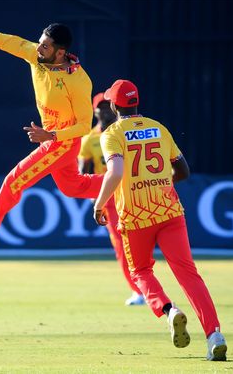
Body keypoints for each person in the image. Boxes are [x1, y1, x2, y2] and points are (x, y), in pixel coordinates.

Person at [92, 79, 227, 361]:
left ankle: (169, 310)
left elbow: (115, 172)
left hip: (136, 216)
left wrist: (100, 203)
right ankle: (214, 335)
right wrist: (161, 183)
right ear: (136, 102)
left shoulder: (112, 133)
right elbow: (183, 170)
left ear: (115, 105)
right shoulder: (159, 128)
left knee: (141, 271)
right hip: (169, 211)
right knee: (188, 274)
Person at [0, 23, 103, 249]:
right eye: (40, 43)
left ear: (60, 52)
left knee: (14, 181)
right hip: (53, 139)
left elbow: (84, 126)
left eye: (45, 46)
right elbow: (4, 40)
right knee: (73, 187)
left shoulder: (79, 81)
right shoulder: (36, 56)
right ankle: (124, 182)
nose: (39, 49)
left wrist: (51, 135)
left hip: (61, 142)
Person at [79, 93, 145, 306]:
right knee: (122, 246)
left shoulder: (126, 132)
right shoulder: (89, 139)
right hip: (110, 199)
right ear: (94, 111)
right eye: (102, 107)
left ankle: (147, 286)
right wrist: (94, 199)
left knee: (140, 243)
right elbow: (83, 174)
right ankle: (139, 290)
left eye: (109, 106)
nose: (106, 111)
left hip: (134, 192)